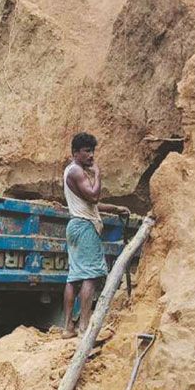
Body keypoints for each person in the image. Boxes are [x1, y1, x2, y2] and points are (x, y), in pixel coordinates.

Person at [61, 132, 130, 338]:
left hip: (76, 225)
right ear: (75, 153)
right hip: (84, 227)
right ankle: (83, 327)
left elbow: (90, 203)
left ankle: (68, 328)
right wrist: (98, 174)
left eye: (93, 151)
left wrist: (115, 208)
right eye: (87, 151)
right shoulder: (77, 172)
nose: (91, 155)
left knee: (74, 278)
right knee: (90, 276)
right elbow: (93, 196)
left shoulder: (71, 171)